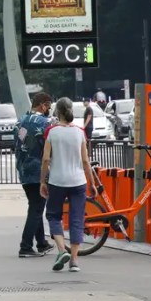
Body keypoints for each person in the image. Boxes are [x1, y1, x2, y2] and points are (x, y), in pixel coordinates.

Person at [42, 97, 94, 273]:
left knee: (53, 215)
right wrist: (92, 183)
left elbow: (46, 159)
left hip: (57, 181)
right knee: (77, 219)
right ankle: (74, 261)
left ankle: (61, 249)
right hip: (79, 181)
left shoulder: (52, 132)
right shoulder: (80, 133)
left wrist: (43, 181)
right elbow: (86, 162)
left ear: (57, 112)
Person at [16, 92, 55, 258]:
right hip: (39, 171)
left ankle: (41, 243)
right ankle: (25, 246)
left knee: (35, 207)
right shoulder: (46, 123)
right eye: (49, 107)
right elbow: (50, 149)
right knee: (37, 208)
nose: (49, 110)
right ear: (43, 105)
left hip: (23, 169)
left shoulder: (20, 121)